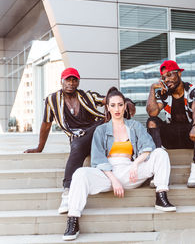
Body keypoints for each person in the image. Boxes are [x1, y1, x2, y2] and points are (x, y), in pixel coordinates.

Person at [63, 87, 175, 241]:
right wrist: (113, 180)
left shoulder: (134, 126)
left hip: (130, 171)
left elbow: (148, 146)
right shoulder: (101, 130)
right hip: (107, 174)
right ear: (108, 108)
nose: (117, 109)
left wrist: (135, 164)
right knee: (80, 173)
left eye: (120, 105)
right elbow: (97, 159)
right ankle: (73, 220)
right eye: (113, 105)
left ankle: (161, 196)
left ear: (125, 106)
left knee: (161, 153)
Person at [24, 67, 135, 214]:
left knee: (106, 123)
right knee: (76, 144)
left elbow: (109, 100)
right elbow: (46, 124)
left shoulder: (87, 96)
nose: (71, 83)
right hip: (79, 138)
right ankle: (67, 192)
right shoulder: (52, 100)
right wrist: (39, 147)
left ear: (78, 82)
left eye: (74, 80)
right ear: (61, 81)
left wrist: (127, 101)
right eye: (67, 80)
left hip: (98, 131)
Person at [146, 60, 195, 188]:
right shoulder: (164, 93)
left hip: (191, 136)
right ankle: (159, 167)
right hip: (171, 137)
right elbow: (153, 112)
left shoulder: (194, 90)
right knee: (152, 121)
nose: (167, 80)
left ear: (179, 73)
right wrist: (152, 89)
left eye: (169, 75)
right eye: (163, 77)